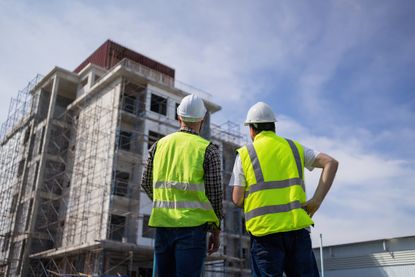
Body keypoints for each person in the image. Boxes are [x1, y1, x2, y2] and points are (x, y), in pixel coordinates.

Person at [230, 102, 338, 277]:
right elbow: (331, 163)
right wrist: (315, 202)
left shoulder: (245, 154)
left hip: (264, 233)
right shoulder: (294, 148)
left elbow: (237, 199)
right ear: (273, 126)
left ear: (252, 129)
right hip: (297, 230)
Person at [141, 94, 223, 277]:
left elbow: (145, 183)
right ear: (202, 119)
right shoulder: (208, 149)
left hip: (163, 224)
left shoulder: (158, 146)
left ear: (179, 117)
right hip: (193, 229)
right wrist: (216, 231)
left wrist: (166, 201)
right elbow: (215, 196)